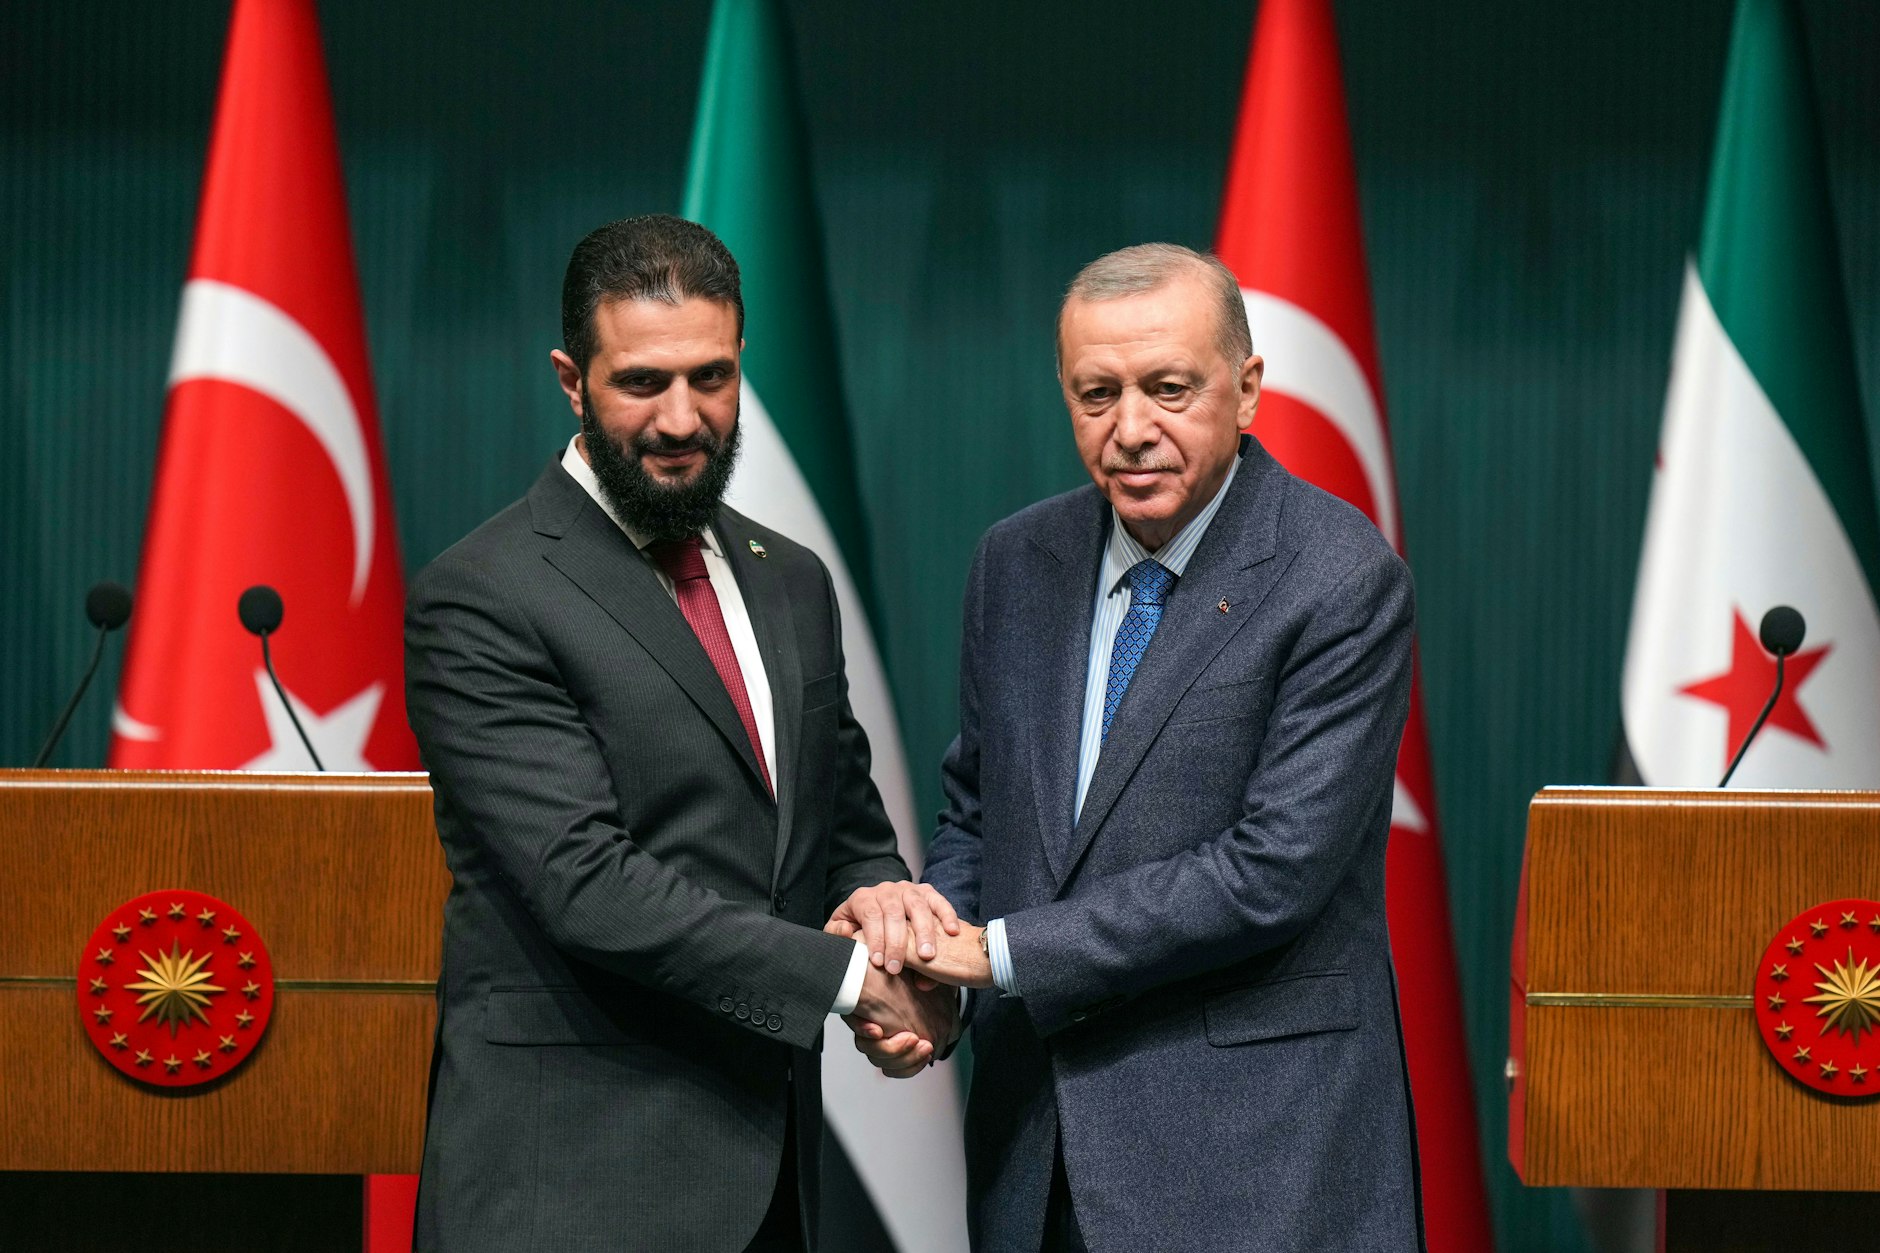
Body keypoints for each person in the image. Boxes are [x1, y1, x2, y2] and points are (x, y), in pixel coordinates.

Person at [846, 243, 1425, 1250]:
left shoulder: (1339, 577)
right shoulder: (1013, 560)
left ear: (1245, 390)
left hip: (1256, 1161)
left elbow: (1271, 869)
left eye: (1167, 388)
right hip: (1036, 1157)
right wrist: (930, 983)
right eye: (1095, 393)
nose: (1129, 431)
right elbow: (982, 813)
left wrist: (995, 953)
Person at [404, 214, 954, 1253]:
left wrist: (894, 926)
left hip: (772, 1180)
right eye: (640, 382)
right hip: (569, 1190)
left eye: (709, 377)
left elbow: (840, 825)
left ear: (742, 360)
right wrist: (845, 981)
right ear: (571, 379)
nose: (680, 418)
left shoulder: (788, 576)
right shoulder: (483, 594)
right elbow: (586, 883)